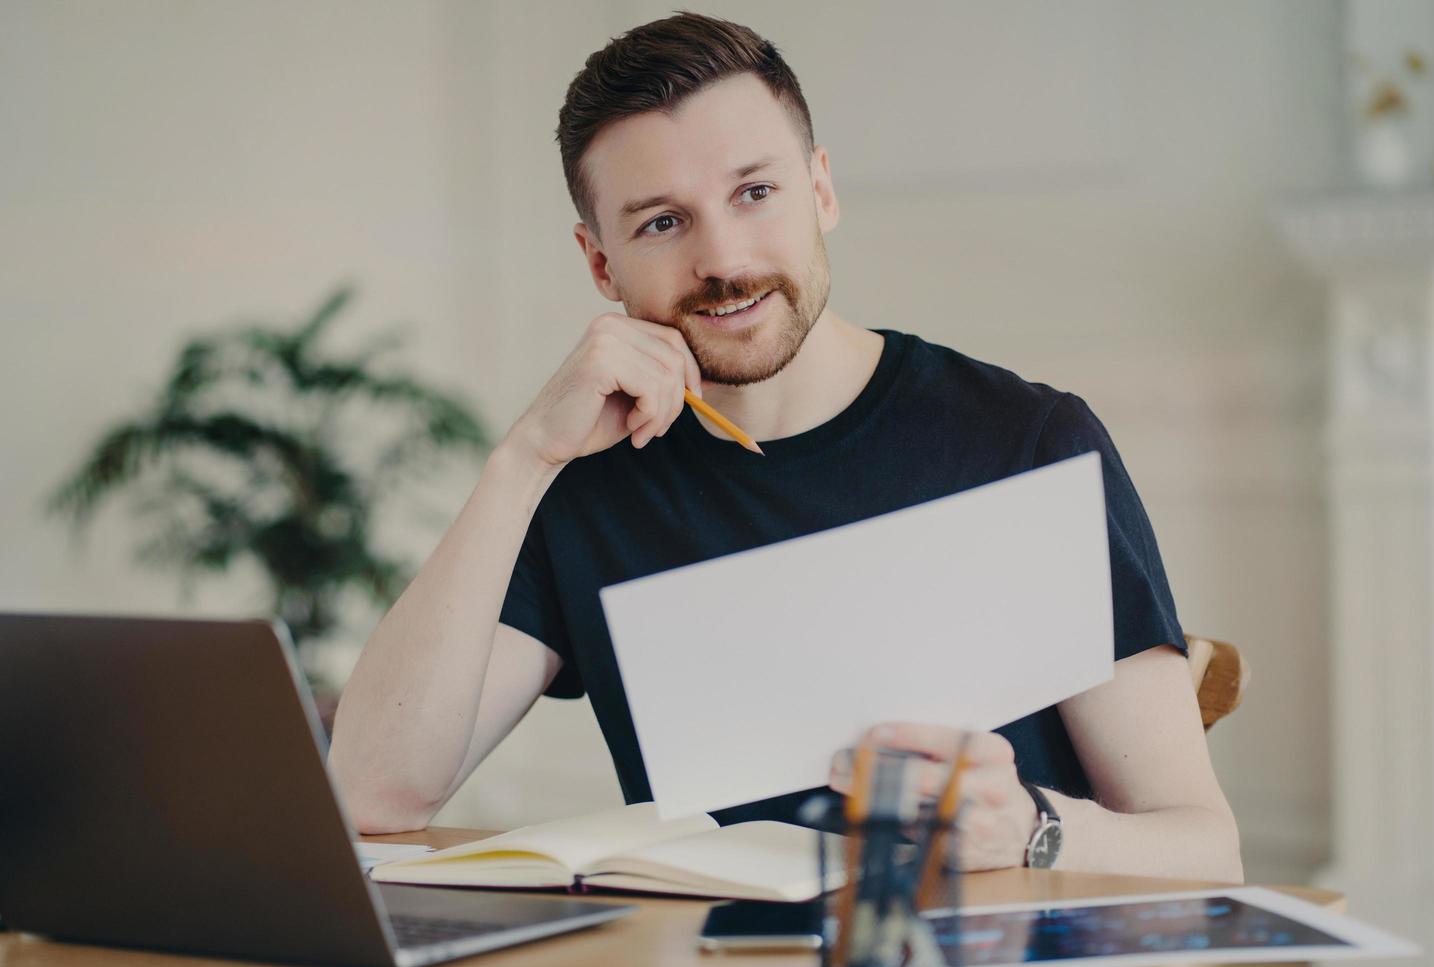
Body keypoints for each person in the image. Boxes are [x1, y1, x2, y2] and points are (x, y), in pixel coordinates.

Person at [329, 12, 1243, 884]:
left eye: (755, 193)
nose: (723, 258)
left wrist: (1037, 828)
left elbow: (1206, 846)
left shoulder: (1027, 442)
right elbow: (374, 791)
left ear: (821, 191)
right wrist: (526, 455)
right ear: (600, 264)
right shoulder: (586, 482)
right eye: (661, 222)